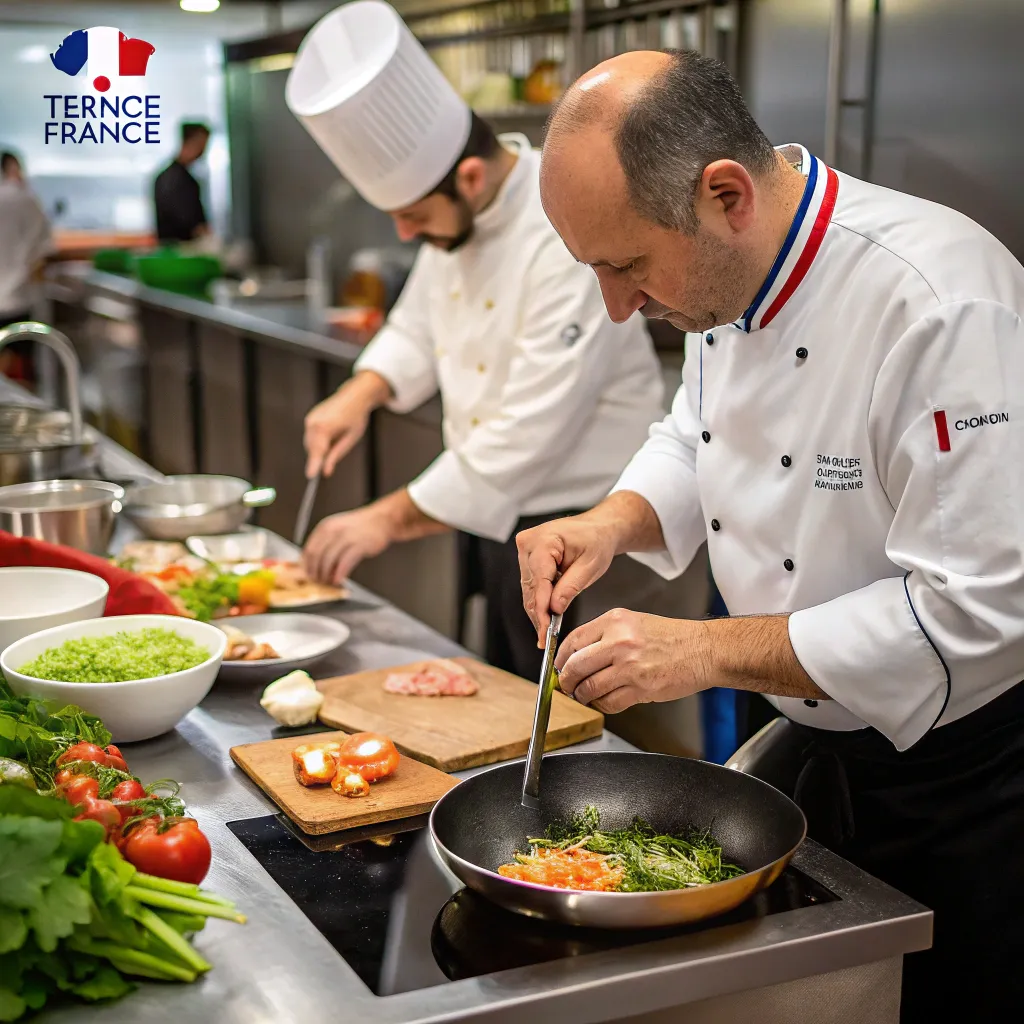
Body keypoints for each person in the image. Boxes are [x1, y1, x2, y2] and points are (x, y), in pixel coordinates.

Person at [516, 49, 1024, 1021]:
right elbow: (694, 434)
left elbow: (976, 610)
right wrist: (609, 523)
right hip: (810, 725)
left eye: (624, 266)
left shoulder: (939, 301)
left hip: (964, 782)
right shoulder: (721, 270)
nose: (618, 307)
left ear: (725, 194)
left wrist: (704, 650)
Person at [287, 1, 663, 680]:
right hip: (487, 497)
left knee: (572, 703)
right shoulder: (458, 217)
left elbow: (530, 428)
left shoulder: (564, 224)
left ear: (467, 176)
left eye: (412, 217)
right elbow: (417, 323)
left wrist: (385, 519)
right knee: (497, 682)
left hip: (584, 521)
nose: (405, 236)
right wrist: (359, 393)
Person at [0, 151, 53, 382]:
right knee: (23, 371)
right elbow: (43, 250)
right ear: (13, 169)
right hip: (19, 296)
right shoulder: (25, 199)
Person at [153, 122, 210, 244]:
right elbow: (183, 219)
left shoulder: (178, 177)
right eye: (202, 145)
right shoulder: (172, 179)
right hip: (180, 250)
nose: (203, 151)